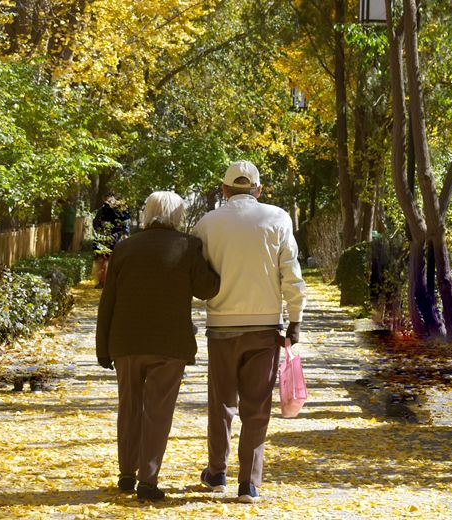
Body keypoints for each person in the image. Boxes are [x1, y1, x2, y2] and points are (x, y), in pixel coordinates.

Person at [192, 160, 307, 504]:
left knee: (221, 404)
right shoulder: (277, 219)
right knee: (256, 408)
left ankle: (216, 474)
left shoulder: (207, 224)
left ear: (225, 190)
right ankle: (249, 483)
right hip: (264, 328)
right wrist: (296, 318)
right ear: (258, 189)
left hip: (221, 326)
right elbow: (291, 271)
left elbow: (198, 278)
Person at [96, 191, 220, 501]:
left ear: (147, 213)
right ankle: (148, 480)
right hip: (169, 345)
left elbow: (107, 300)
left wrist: (102, 348)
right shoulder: (188, 246)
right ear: (178, 215)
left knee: (129, 407)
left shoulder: (124, 248)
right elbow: (207, 289)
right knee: (158, 412)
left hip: (125, 342)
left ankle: (127, 473)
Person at [92, 193, 130, 288]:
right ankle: (103, 281)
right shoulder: (103, 211)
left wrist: (125, 234)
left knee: (110, 260)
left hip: (114, 239)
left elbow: (125, 224)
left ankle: (108, 281)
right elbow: (95, 223)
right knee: (103, 260)